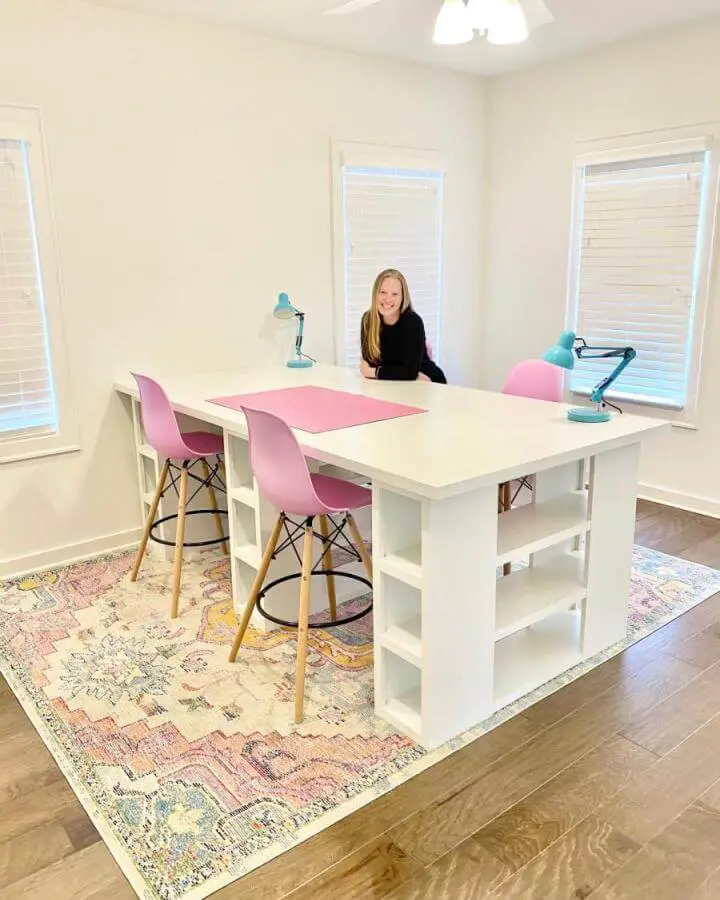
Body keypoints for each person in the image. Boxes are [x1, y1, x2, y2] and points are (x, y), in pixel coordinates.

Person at [359, 269, 447, 384]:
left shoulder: (413, 322)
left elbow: (409, 372)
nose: (388, 299)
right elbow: (370, 363)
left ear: (402, 298)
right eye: (383, 292)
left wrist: (374, 373)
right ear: (375, 294)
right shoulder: (368, 320)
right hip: (393, 385)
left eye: (394, 294)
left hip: (428, 381)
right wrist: (403, 373)